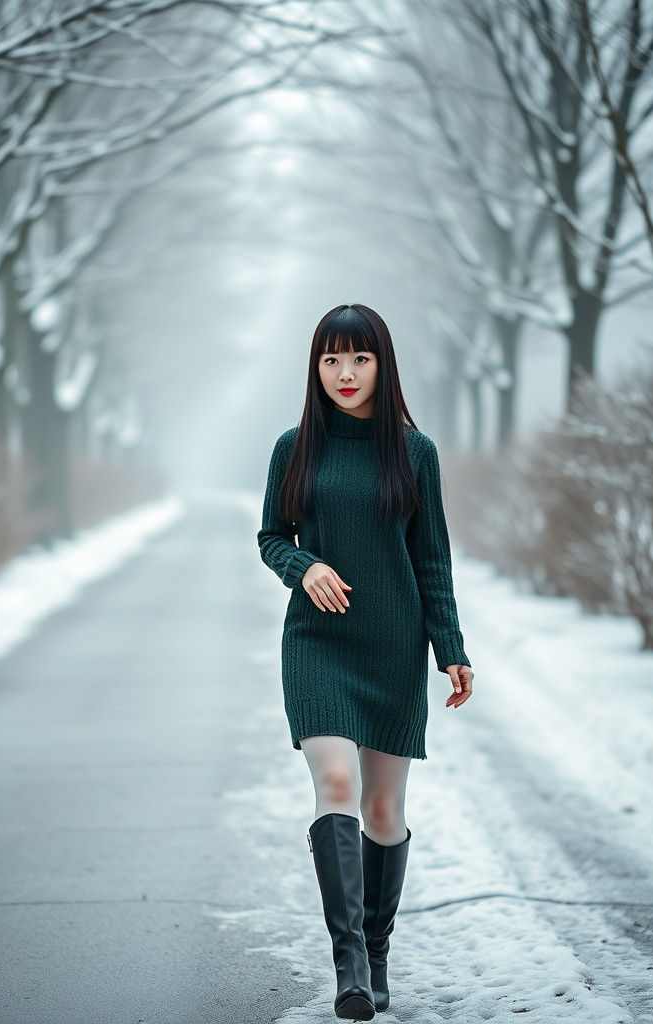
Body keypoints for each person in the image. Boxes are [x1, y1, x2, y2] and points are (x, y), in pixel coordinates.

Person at [256, 303, 474, 1020]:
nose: (344, 375)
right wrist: (303, 565)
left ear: (383, 364)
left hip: (392, 646)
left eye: (359, 359)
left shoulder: (416, 455)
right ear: (315, 368)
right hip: (317, 644)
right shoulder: (295, 448)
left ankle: (377, 952)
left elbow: (431, 559)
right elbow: (271, 536)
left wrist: (452, 650)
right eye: (330, 360)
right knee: (338, 782)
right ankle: (349, 961)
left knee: (385, 808)